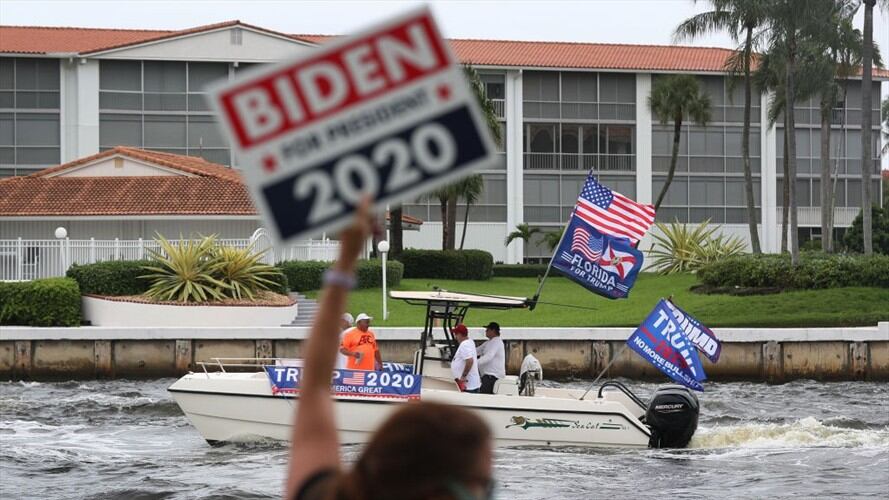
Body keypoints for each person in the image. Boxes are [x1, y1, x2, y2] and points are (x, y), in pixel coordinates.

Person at [287, 198, 494, 500]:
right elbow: (325, 376)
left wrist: (346, 257)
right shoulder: (348, 335)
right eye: (485, 488)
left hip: (368, 375)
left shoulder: (324, 494)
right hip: (354, 379)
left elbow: (314, 390)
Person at [450, 323, 481, 393]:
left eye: (456, 334)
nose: (455, 337)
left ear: (460, 334)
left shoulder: (465, 344)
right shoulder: (470, 341)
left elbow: (470, 361)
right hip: (472, 384)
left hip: (468, 385)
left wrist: (463, 376)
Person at [477, 322, 505, 395]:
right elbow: (477, 351)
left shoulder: (496, 342)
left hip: (492, 377)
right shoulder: (489, 342)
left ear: (493, 330)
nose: (485, 331)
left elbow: (489, 356)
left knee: (483, 397)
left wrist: (474, 363)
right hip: (487, 377)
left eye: (487, 330)